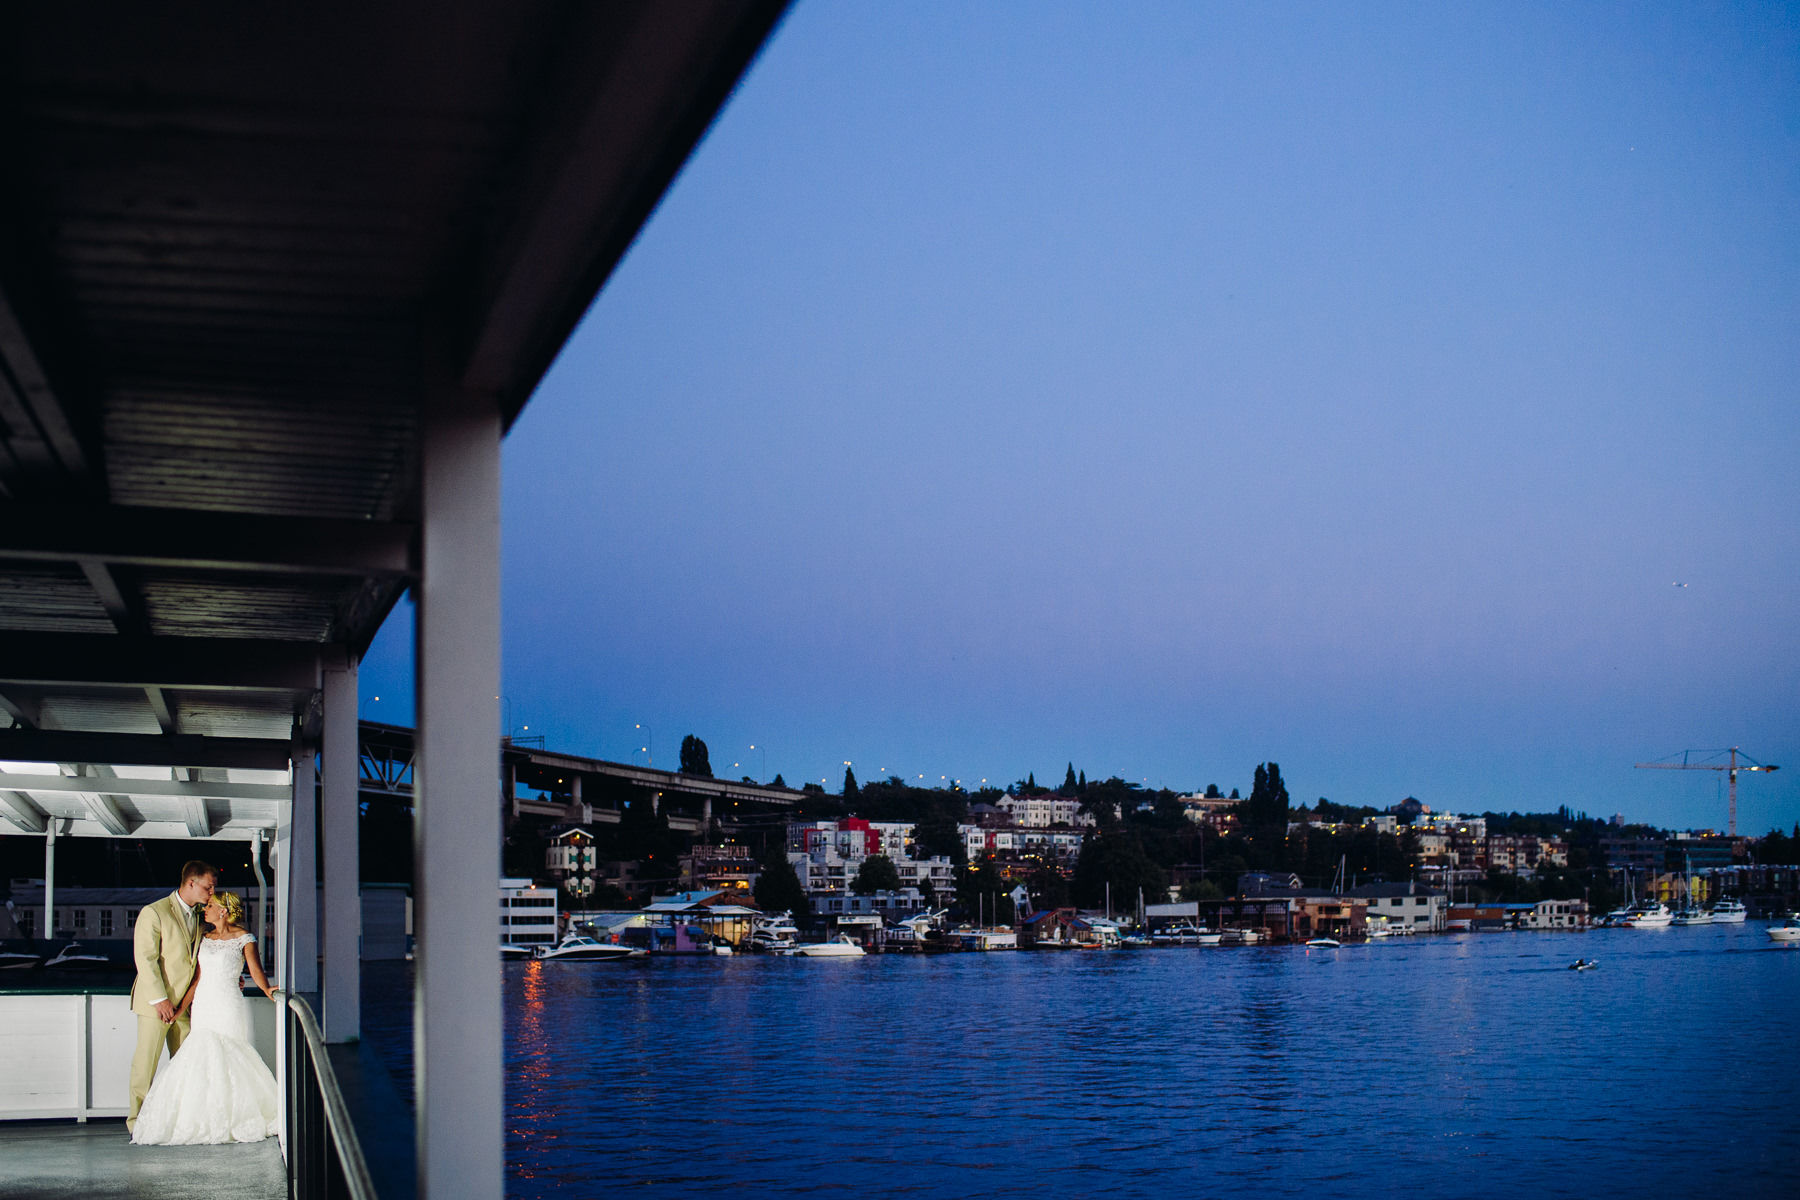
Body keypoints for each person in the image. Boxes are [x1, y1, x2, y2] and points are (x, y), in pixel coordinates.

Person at [131, 890, 280, 1145]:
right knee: (199, 1055)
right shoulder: (206, 937)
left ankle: (234, 1117)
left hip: (227, 1002)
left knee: (230, 1054)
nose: (205, 909)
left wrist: (267, 989)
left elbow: (256, 970)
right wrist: (179, 1010)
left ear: (223, 910)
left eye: (210, 905)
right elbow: (198, 979)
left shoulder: (244, 938)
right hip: (203, 1004)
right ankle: (200, 1118)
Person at [127, 860, 215, 1133]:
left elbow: (199, 960)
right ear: (191, 882)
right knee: (146, 1064)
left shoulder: (201, 916)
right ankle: (136, 1123)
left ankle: (181, 1119)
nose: (212, 892)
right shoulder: (154, 912)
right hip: (155, 1005)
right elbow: (145, 959)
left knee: (187, 1064)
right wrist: (160, 1000)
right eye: (208, 886)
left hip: (184, 1007)